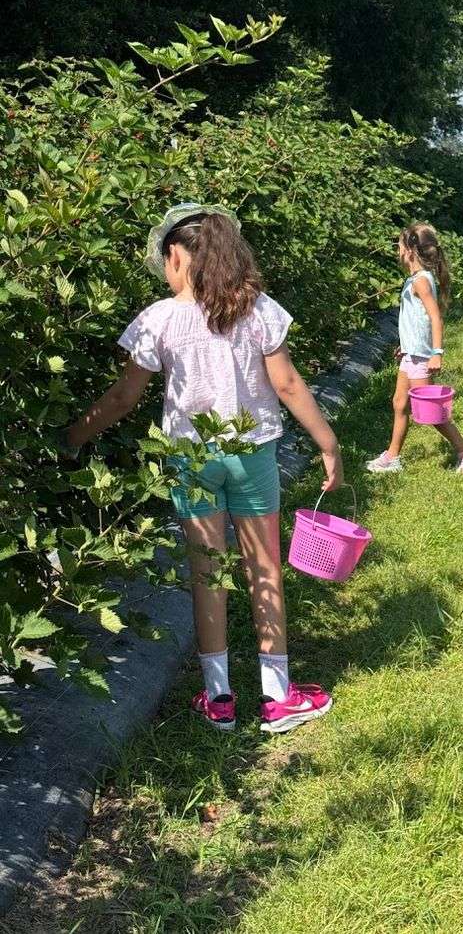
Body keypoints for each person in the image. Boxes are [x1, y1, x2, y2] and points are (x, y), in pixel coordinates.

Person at [67, 202, 343, 734]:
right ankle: (277, 695)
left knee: (206, 573)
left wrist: (74, 436)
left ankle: (219, 698)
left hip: (191, 462)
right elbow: (287, 385)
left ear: (175, 257)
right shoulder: (259, 309)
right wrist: (326, 441)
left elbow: (126, 396)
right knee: (264, 570)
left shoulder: (158, 319)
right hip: (253, 455)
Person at [366, 222, 463, 475]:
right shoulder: (414, 279)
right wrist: (405, 345)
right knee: (399, 403)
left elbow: (435, 317)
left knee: (429, 412)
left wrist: (437, 353)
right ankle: (392, 457)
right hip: (412, 353)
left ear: (410, 250)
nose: (396, 249)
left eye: (399, 244)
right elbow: (414, 319)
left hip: (421, 356)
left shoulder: (421, 281)